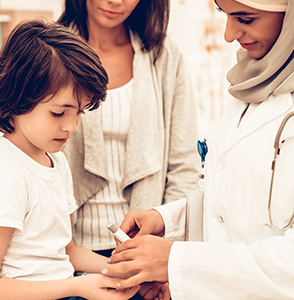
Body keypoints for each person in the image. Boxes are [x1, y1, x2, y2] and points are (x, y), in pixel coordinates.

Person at [103, 0, 294, 299]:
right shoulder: (258, 83)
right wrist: (167, 222)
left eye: (245, 18)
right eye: (226, 15)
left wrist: (176, 261)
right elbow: (242, 199)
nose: (229, 34)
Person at [0, 19, 139, 300]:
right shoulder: (4, 175)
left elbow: (66, 252)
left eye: (78, 112)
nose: (71, 126)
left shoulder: (54, 160)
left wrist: (125, 272)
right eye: (58, 113)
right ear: (18, 98)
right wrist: (77, 286)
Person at [58, 0, 200, 298]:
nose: (116, 1)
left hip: (143, 257)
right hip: (65, 253)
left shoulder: (165, 57)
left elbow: (183, 165)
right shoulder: (50, 53)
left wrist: (167, 251)